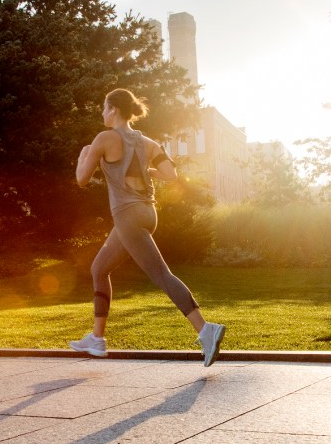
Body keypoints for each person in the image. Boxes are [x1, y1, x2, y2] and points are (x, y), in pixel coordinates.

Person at [71, 88, 225, 365]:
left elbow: (82, 179)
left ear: (114, 110)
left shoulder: (104, 139)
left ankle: (206, 329)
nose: (102, 113)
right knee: (99, 268)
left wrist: (84, 155)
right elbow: (170, 174)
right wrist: (146, 170)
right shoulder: (148, 142)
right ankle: (97, 338)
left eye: (104, 107)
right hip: (147, 212)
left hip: (127, 215)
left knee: (161, 275)